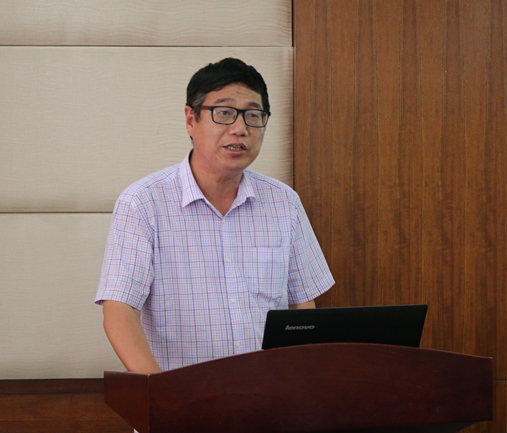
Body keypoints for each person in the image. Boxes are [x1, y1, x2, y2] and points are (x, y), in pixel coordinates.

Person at [95, 58, 334, 374]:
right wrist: (160, 392)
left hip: (270, 393)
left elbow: (302, 304)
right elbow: (119, 311)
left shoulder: (283, 202)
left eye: (253, 115)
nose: (240, 129)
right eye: (224, 113)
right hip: (182, 396)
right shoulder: (143, 203)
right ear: (190, 119)